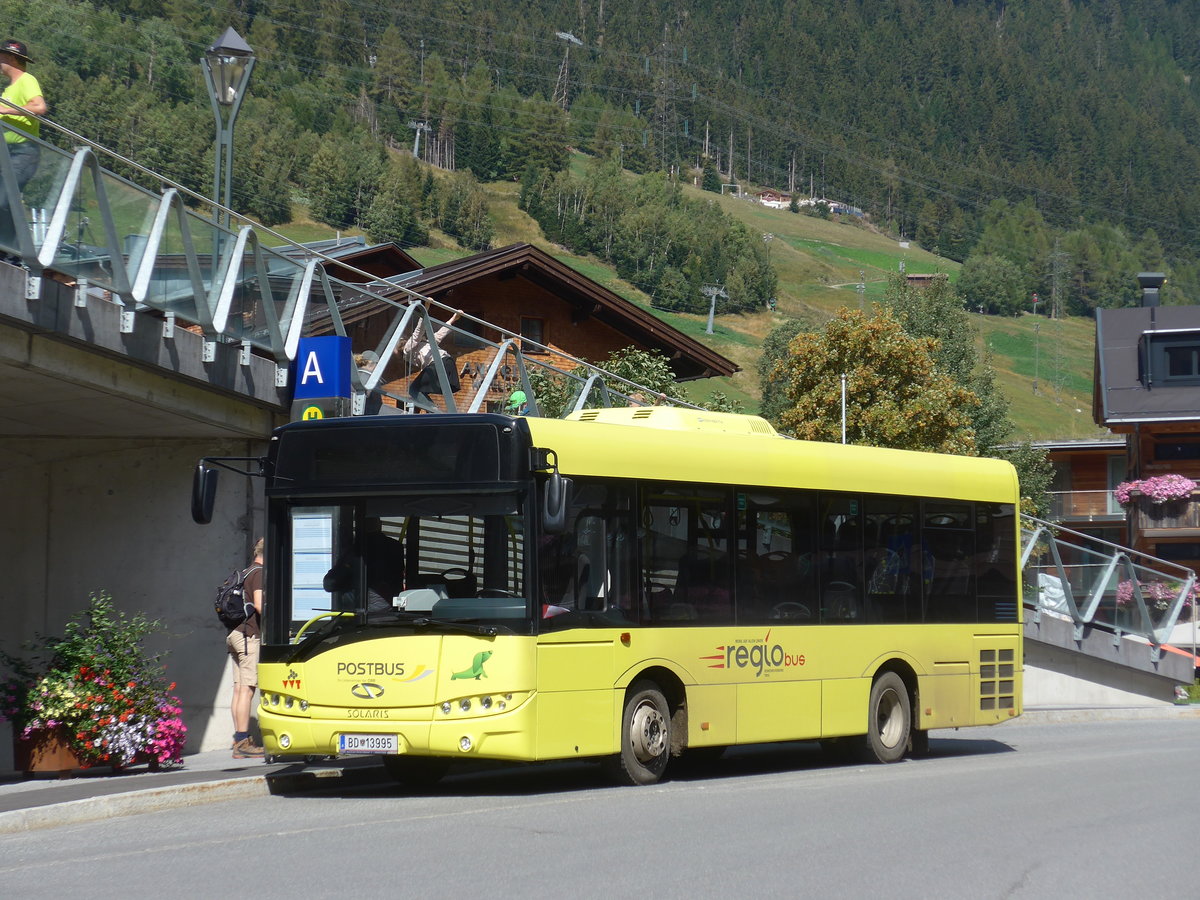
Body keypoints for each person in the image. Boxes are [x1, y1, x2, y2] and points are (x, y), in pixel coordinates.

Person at [0, 40, 45, 256]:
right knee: (3, 201)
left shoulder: (27, 80)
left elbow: (39, 106)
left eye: (1, 57)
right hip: (6, 154)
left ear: (11, 58)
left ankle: (13, 251)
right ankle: (8, 250)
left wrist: (6, 110)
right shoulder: (9, 89)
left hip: (23, 153)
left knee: (4, 200)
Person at [227, 537, 265, 759]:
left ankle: (237, 740)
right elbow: (259, 605)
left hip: (234, 634)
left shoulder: (245, 571)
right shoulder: (259, 573)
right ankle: (243, 740)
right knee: (248, 688)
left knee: (239, 688)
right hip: (249, 635)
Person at [404, 308, 462, 408]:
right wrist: (453, 318)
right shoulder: (418, 346)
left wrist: (425, 309)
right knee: (419, 390)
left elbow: (421, 332)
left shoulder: (414, 347)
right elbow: (437, 333)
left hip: (439, 364)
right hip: (448, 363)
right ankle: (431, 409)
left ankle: (433, 409)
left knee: (413, 389)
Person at [355, 350, 382, 415]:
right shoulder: (373, 380)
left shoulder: (353, 376)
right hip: (368, 418)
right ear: (372, 364)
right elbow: (377, 403)